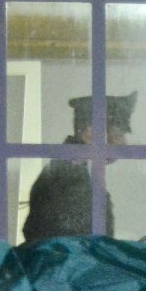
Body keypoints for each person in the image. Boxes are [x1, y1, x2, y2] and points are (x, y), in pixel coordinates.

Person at [20, 91, 130, 241]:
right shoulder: (69, 177)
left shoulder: (68, 168)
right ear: (91, 132)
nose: (123, 144)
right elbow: (77, 245)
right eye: (118, 134)